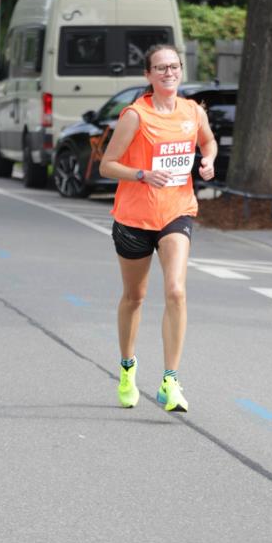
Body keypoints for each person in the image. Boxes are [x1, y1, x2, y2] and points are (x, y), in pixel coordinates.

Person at [99, 44, 217, 413]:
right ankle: (127, 369)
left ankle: (171, 380)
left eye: (174, 66)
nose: (169, 73)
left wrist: (209, 159)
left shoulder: (193, 111)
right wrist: (141, 174)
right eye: (160, 68)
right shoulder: (135, 115)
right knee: (135, 297)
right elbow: (107, 164)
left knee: (176, 291)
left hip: (176, 212)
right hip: (134, 218)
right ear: (148, 75)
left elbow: (207, 140)